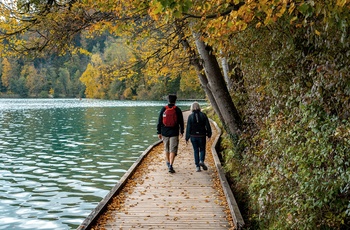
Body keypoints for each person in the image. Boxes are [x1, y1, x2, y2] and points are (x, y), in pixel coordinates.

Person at [157, 94, 184, 173]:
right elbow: (181, 122)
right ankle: (171, 165)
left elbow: (159, 121)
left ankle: (168, 163)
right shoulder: (177, 110)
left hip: (165, 132)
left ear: (168, 100)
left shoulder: (163, 109)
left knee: (166, 148)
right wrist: (181, 131)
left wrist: (159, 132)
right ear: (175, 101)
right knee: (173, 149)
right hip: (174, 132)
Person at [185, 102, 212, 172]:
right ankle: (201, 160)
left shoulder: (190, 116)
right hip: (202, 135)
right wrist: (209, 134)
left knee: (196, 150)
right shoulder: (203, 115)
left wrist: (187, 137)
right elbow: (207, 126)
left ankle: (197, 166)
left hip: (193, 136)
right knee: (202, 149)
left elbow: (188, 128)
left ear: (192, 108)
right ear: (199, 107)